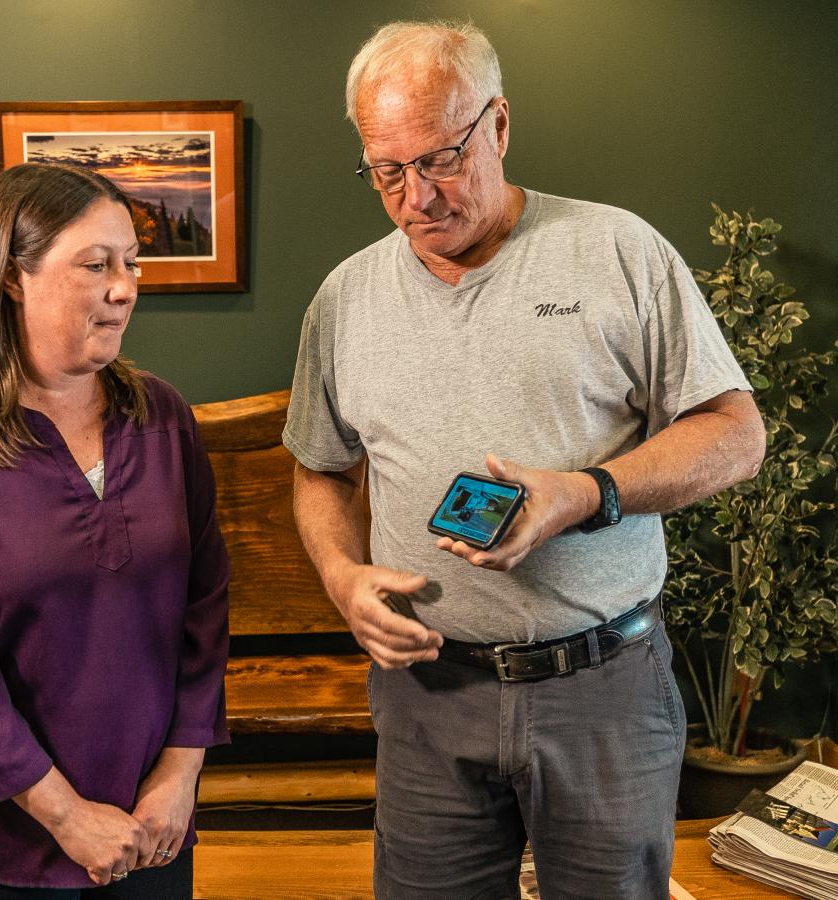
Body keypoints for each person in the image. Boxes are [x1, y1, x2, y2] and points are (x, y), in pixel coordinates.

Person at [285, 20, 767, 899]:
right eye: (385, 172)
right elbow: (319, 469)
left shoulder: (619, 251)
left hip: (603, 690)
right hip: (426, 694)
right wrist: (340, 575)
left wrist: (585, 495)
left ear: (497, 125)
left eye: (437, 160)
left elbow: (737, 433)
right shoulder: (346, 297)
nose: (414, 200)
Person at [0, 162, 230, 898]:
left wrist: (179, 772)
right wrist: (66, 816)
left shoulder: (163, 416)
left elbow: (206, 602)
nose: (125, 286)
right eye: (96, 265)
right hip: (3, 833)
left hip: (152, 820)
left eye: (131, 262)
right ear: (13, 277)